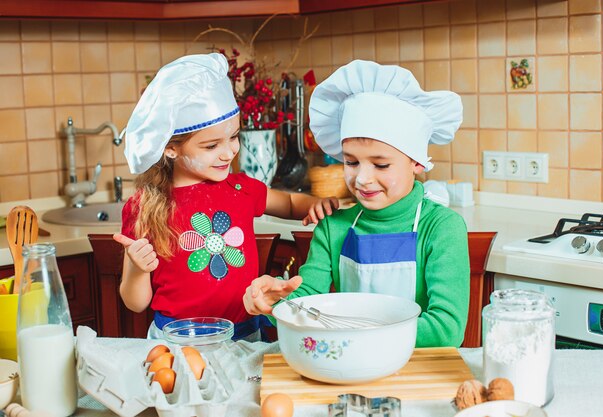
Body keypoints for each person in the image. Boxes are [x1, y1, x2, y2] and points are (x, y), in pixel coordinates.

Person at [243, 60, 470, 347]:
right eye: (351, 161)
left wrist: (353, 335)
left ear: (416, 163)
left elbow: (446, 329)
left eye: (381, 164)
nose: (362, 178)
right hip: (349, 369)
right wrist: (276, 302)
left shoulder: (441, 228)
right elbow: (306, 301)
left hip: (419, 374)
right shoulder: (333, 227)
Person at [113, 53, 338, 341]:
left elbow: (291, 203)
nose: (229, 152)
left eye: (234, 137)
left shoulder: (241, 188)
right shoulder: (144, 207)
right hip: (177, 342)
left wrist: (316, 204)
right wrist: (136, 268)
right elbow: (136, 302)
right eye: (211, 145)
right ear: (170, 148)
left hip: (244, 337)